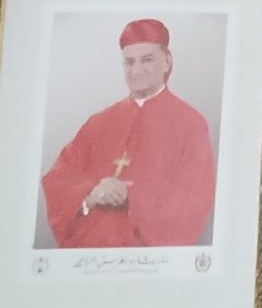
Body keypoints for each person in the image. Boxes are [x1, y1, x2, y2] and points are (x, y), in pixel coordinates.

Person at [39, 18, 216, 248]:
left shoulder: (191, 123)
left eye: (147, 60)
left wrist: (133, 196)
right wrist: (91, 192)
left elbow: (194, 198)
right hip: (88, 251)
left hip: (147, 256)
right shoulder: (98, 122)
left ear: (167, 61)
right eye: (129, 62)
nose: (136, 71)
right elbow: (59, 177)